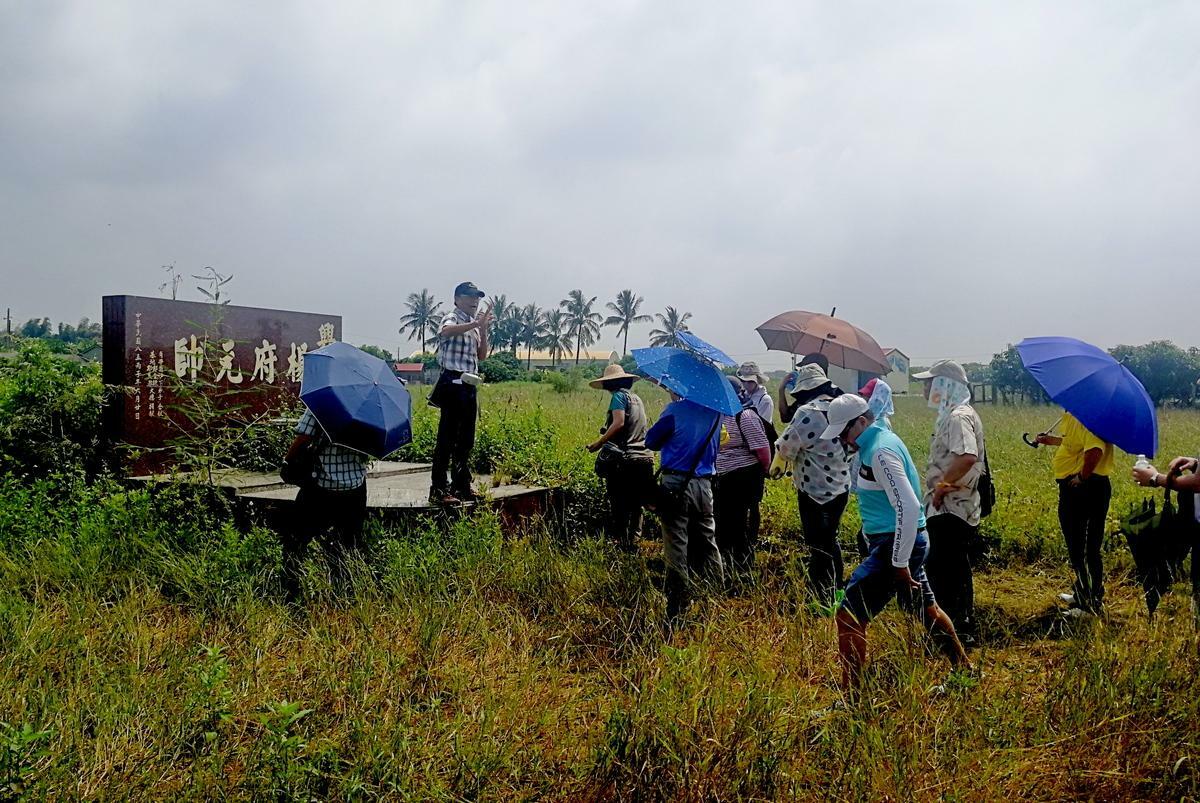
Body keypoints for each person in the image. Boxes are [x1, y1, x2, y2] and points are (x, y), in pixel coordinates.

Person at [821, 394, 970, 689]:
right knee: (926, 609)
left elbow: (909, 506)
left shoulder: (880, 451)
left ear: (862, 422)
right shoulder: (875, 443)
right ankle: (965, 671)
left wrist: (899, 563)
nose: (843, 441)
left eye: (844, 433)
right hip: (898, 542)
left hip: (895, 546)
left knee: (848, 616)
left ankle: (852, 701)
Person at [913, 360, 986, 643]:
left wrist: (942, 487)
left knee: (945, 571)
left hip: (952, 508)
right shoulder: (955, 414)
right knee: (955, 568)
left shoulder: (958, 417)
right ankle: (959, 627)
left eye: (929, 383)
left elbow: (966, 456)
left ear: (945, 385)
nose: (925, 388)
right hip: (955, 506)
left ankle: (953, 634)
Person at [772, 363, 850, 612]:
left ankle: (822, 598)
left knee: (818, 546)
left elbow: (786, 448)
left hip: (814, 491)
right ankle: (837, 588)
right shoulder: (841, 409)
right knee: (831, 540)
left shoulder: (809, 412)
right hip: (840, 487)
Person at [645, 392, 724, 624]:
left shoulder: (674, 411)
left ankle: (677, 603)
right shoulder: (716, 414)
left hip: (676, 484)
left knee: (676, 544)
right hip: (705, 485)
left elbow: (651, 441)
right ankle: (715, 597)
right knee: (709, 541)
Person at [281, 408, 372, 601]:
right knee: (347, 543)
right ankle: (344, 593)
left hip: (322, 486)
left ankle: (292, 591)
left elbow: (304, 436)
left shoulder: (323, 403)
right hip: (355, 487)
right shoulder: (370, 409)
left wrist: (287, 460)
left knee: (296, 540)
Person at [1034, 413, 1114, 616]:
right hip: (1077, 487)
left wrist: (1081, 476)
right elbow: (1075, 443)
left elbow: (1095, 449)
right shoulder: (1072, 416)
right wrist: (1052, 441)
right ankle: (1082, 592)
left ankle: (1090, 603)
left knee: (1085, 548)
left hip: (1086, 488)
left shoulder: (1088, 419)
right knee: (1077, 545)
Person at [428, 282, 492, 506]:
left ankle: (461, 485)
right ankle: (438, 488)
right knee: (447, 437)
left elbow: (481, 356)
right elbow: (444, 332)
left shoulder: (475, 326)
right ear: (457, 299)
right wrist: (475, 322)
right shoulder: (452, 317)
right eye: (470, 296)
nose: (475, 301)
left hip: (469, 385)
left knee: (466, 439)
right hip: (452, 382)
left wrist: (482, 330)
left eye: (477, 297)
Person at [587, 363, 655, 552]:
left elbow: (618, 423)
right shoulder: (637, 398)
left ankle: (622, 543)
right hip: (644, 457)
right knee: (637, 503)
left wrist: (598, 443)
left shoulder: (618, 397)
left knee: (619, 502)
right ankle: (634, 541)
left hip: (625, 458)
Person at [714, 376, 771, 574]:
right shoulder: (718, 414)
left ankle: (743, 569)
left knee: (740, 526)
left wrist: (763, 473)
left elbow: (762, 451)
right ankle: (726, 565)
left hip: (743, 477)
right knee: (723, 523)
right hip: (722, 477)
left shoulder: (745, 416)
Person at [779, 353, 830, 424]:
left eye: (804, 369)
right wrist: (781, 390)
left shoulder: (829, 399)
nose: (801, 373)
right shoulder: (805, 396)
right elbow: (785, 417)